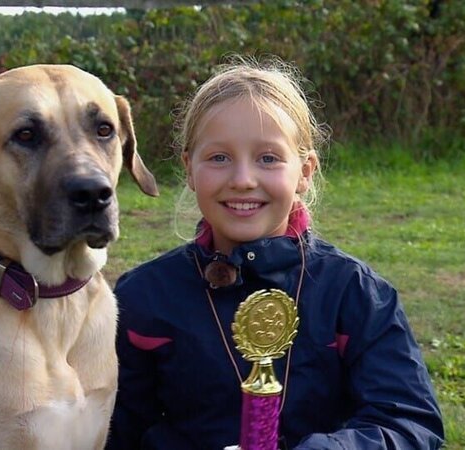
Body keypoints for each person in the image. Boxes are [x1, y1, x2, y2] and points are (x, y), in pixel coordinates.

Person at [105, 56, 444, 450]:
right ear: (189, 169)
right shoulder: (144, 297)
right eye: (219, 158)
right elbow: (115, 431)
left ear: (305, 172)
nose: (244, 180)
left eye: (268, 158)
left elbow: (409, 423)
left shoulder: (354, 293)